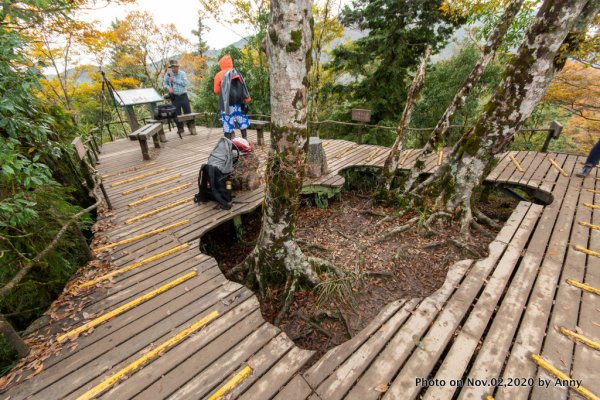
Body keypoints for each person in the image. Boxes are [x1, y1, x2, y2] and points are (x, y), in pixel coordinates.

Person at [213, 54, 251, 140]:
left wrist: (223, 94)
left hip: (227, 106)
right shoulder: (237, 72)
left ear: (221, 64)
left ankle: (229, 145)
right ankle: (245, 140)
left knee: (228, 125)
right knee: (242, 123)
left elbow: (216, 90)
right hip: (239, 104)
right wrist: (246, 99)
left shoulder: (219, 75)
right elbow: (243, 87)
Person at [163, 59, 191, 135]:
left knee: (187, 112)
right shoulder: (168, 74)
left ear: (178, 67)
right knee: (176, 113)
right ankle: (180, 128)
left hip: (183, 96)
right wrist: (168, 87)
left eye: (175, 67)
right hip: (174, 97)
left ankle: (190, 127)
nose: (173, 68)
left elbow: (185, 84)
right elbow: (164, 83)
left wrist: (174, 80)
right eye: (172, 67)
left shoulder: (182, 74)